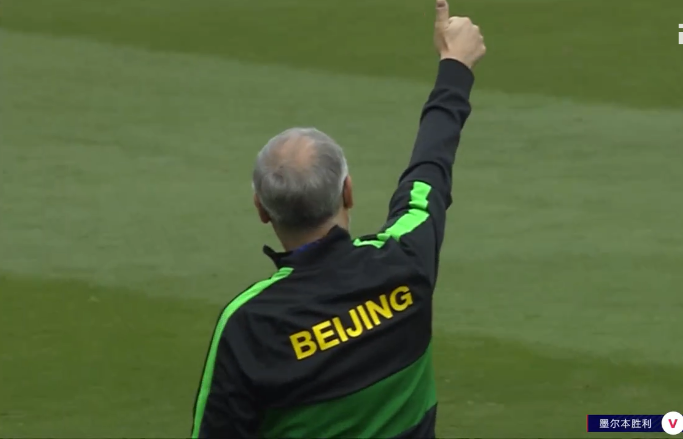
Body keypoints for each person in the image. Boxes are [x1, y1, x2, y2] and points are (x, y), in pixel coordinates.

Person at [190, 0, 486, 437]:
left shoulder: (248, 324)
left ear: (261, 209)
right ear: (348, 192)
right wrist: (455, 65)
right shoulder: (405, 258)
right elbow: (430, 168)